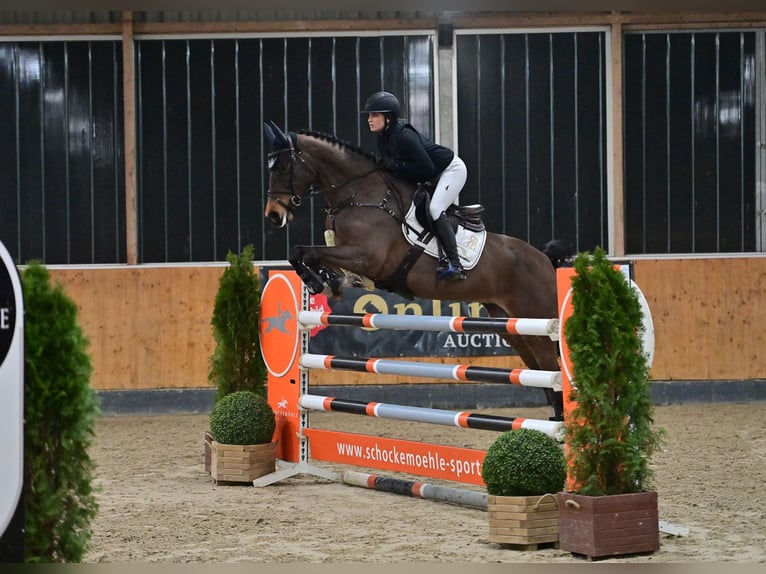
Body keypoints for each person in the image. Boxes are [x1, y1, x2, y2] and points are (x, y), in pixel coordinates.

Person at [362, 90, 467, 281]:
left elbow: (426, 167)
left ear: (388, 118)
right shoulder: (382, 138)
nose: (370, 119)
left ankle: (456, 264)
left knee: (435, 208)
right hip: (432, 175)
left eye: (374, 115)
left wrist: (395, 165)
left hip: (450, 170)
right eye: (370, 115)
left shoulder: (403, 136)